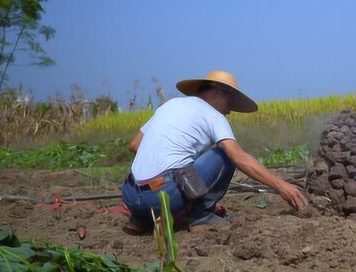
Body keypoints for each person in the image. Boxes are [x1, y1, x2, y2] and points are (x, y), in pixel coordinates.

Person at [121, 70, 308, 234]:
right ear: (217, 93)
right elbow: (239, 157)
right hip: (162, 198)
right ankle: (202, 215)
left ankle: (142, 220)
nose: (230, 110)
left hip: (130, 196)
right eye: (230, 101)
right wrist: (281, 185)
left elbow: (135, 145)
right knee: (225, 154)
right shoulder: (213, 115)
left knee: (180, 167)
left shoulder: (169, 106)